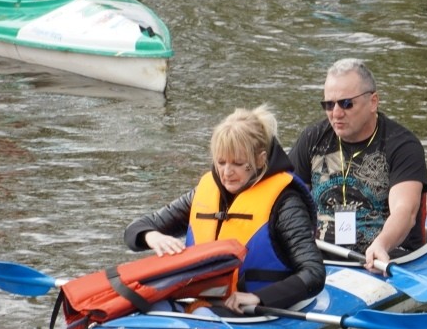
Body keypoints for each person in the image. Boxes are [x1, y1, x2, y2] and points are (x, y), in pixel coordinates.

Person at [123, 105, 325, 314]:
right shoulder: (204, 192)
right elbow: (134, 230)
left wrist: (259, 298)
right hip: (200, 303)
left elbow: (314, 273)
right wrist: (151, 236)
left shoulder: (286, 203)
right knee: (151, 306)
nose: (227, 173)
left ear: (260, 159)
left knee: (202, 314)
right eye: (221, 162)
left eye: (237, 163)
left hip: (253, 309)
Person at [289, 58, 427, 271]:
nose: (335, 113)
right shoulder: (312, 138)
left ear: (373, 102)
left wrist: (381, 245)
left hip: (386, 257)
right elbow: (284, 196)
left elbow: (405, 211)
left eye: (346, 103)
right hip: (321, 256)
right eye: (329, 104)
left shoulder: (402, 145)